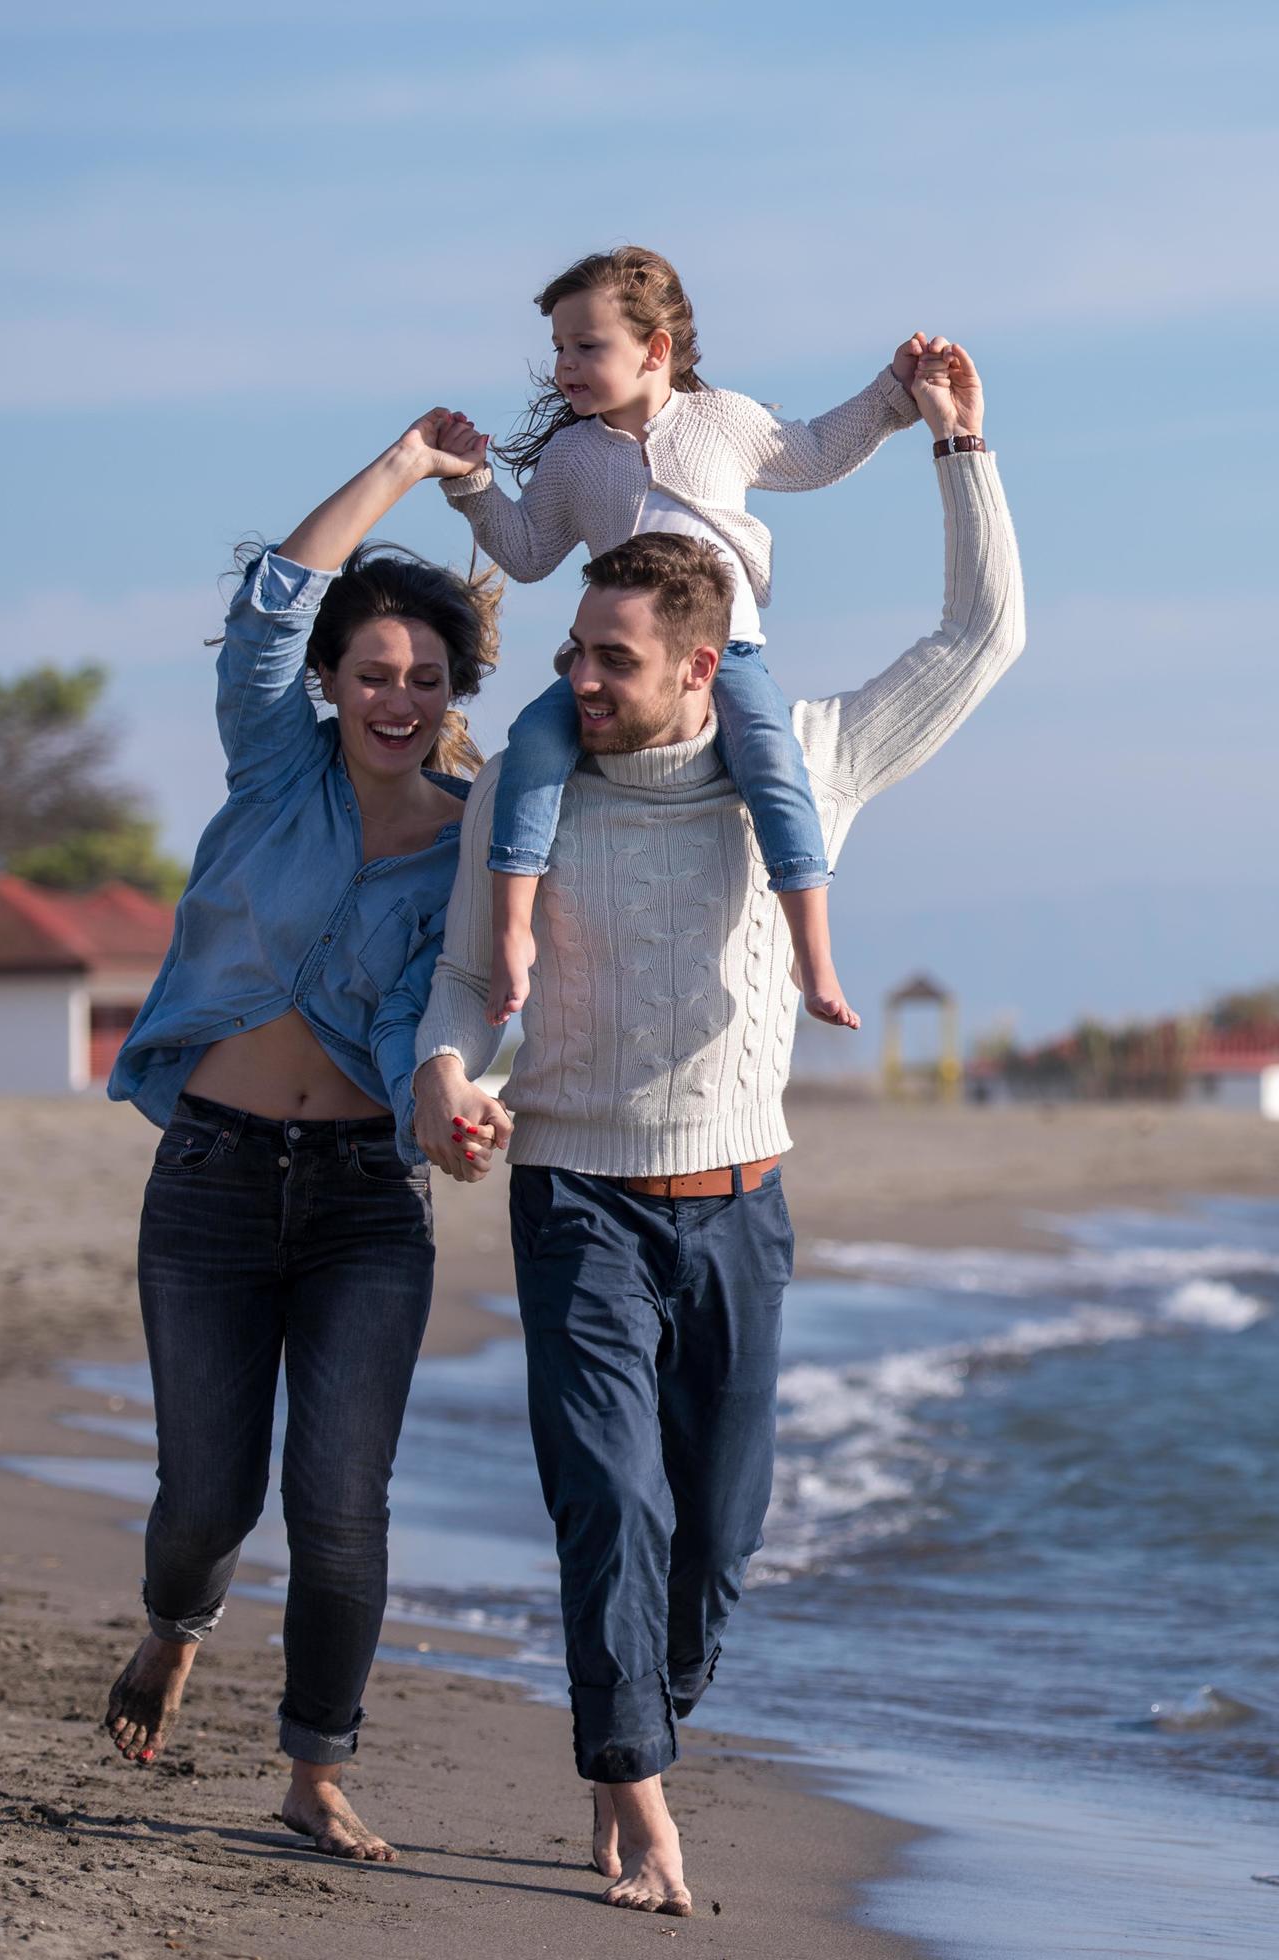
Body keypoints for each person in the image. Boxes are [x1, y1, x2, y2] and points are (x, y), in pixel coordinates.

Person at [410, 341, 1015, 1917]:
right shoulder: (523, 800)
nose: (576, 681)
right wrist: (443, 1073)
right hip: (576, 1199)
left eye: (611, 660)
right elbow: (474, 977)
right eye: (574, 651)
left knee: (716, 1537)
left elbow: (980, 635)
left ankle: (643, 1714)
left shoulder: (806, 758)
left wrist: (960, 451)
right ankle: (630, 1777)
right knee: (605, 1496)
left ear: (699, 666)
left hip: (742, 1203)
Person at [98, 412, 502, 1862]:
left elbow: (437, 1017)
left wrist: (446, 1106)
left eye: (425, 678)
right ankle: (174, 1625)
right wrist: (403, 467)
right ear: (330, 684)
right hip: (206, 1179)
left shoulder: (478, 846)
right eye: (371, 672)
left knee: (338, 1502)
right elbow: (272, 600)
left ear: (457, 691)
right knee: (207, 1492)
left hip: (360, 1206)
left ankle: (313, 1769)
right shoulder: (274, 773)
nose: (396, 697)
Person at [426, 244, 932, 1034]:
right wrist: (473, 485)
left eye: (586, 346)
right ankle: (513, 929)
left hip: (723, 654)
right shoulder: (571, 457)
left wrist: (893, 389)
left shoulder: (720, 421)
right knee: (531, 744)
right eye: (559, 348)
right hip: (613, 664)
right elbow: (526, 555)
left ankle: (814, 953)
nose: (565, 365)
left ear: (655, 349)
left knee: (772, 761)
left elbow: (816, 452)